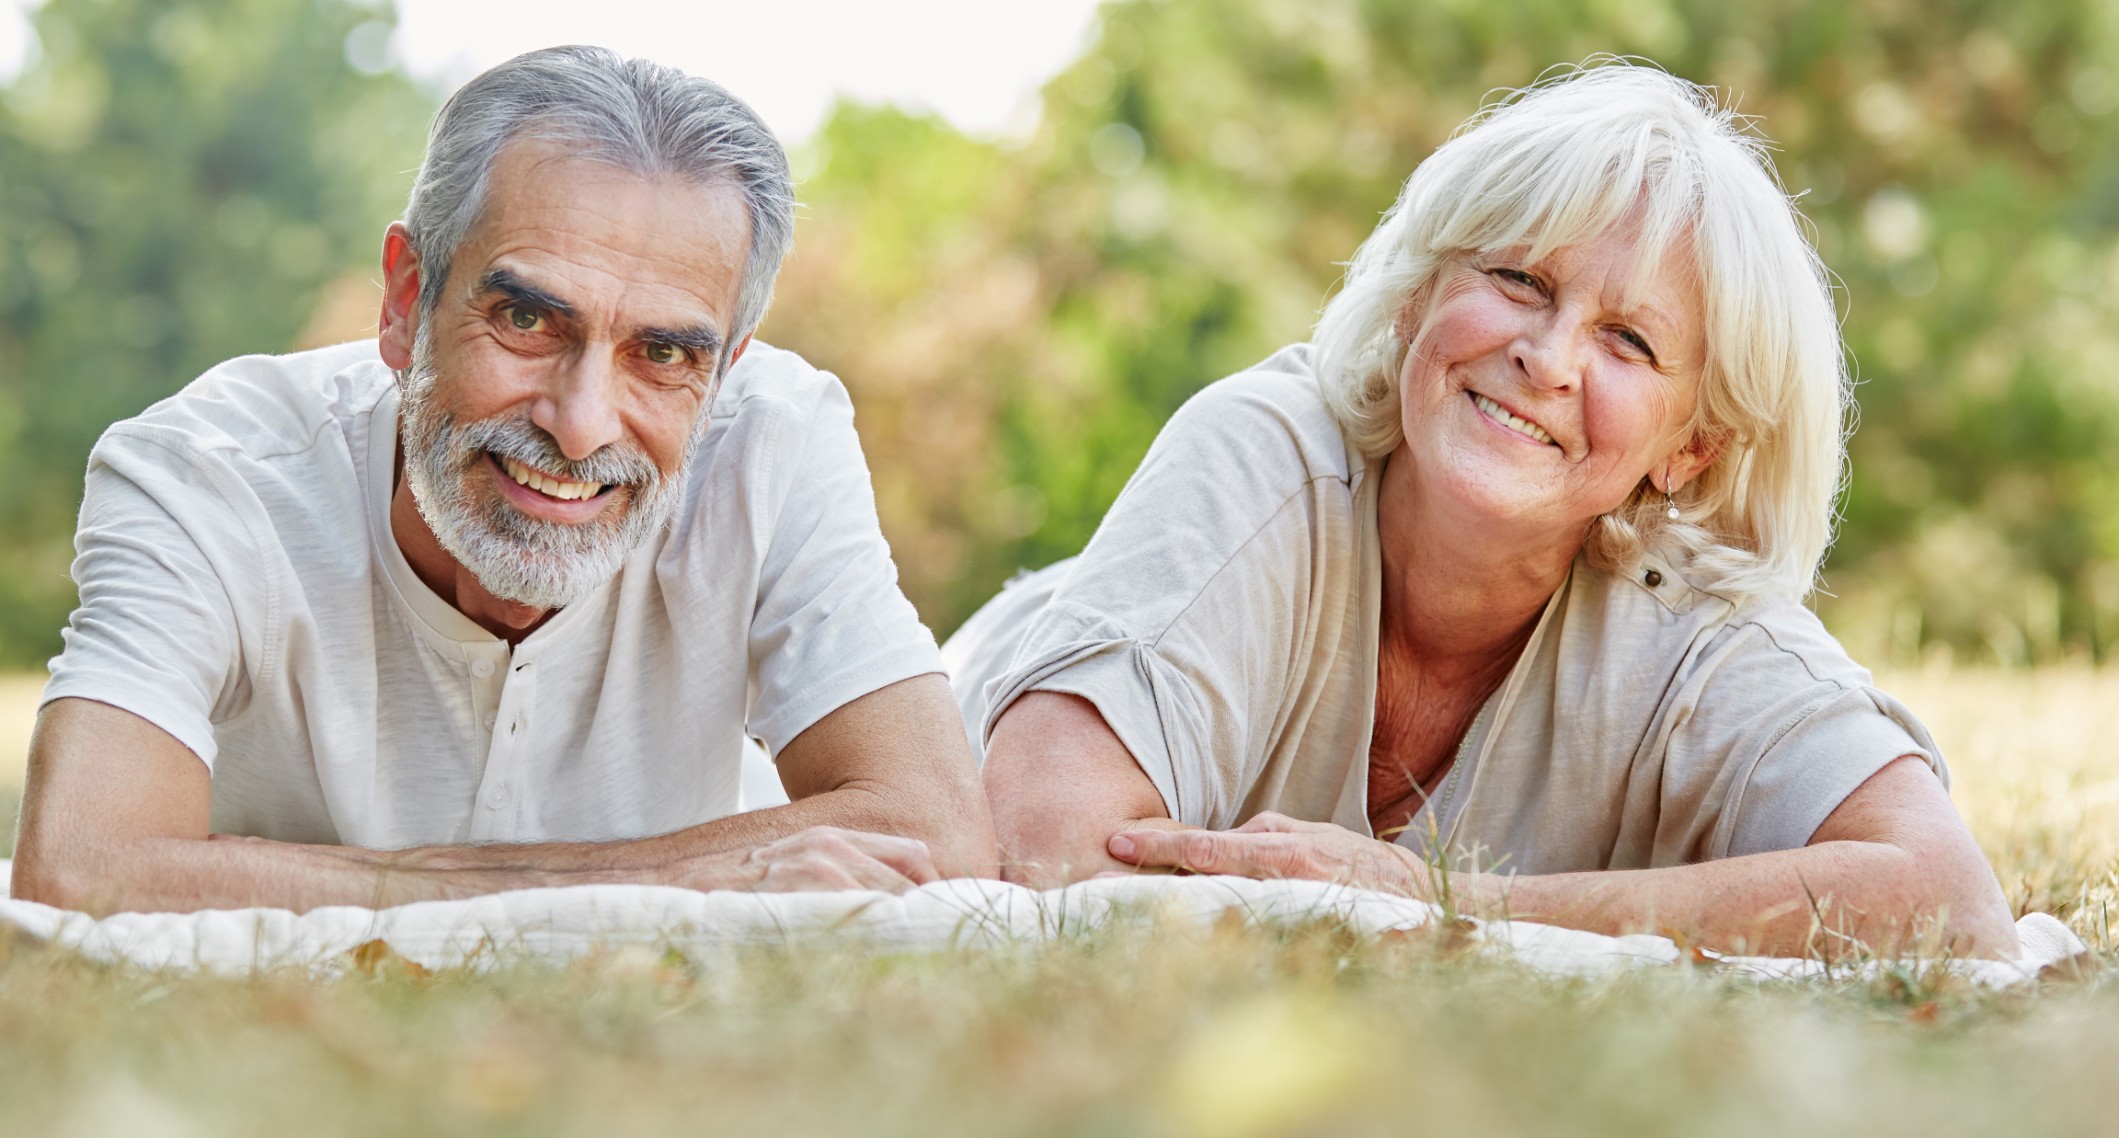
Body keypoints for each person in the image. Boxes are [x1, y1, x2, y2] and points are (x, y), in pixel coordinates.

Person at [948, 63, 2016, 957]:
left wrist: (1445, 908)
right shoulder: (1262, 453)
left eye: (1628, 341)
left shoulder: (1695, 630)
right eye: (1518, 279)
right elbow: (1043, 849)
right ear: (1418, 294)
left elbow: (1949, 903)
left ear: (1690, 450)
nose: (1544, 359)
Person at [13, 46, 994, 914]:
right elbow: (84, 866)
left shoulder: (773, 440)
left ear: (724, 371)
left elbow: (934, 831)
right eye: (527, 322)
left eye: (661, 353)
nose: (579, 424)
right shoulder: (203, 478)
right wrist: (655, 886)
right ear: (405, 301)